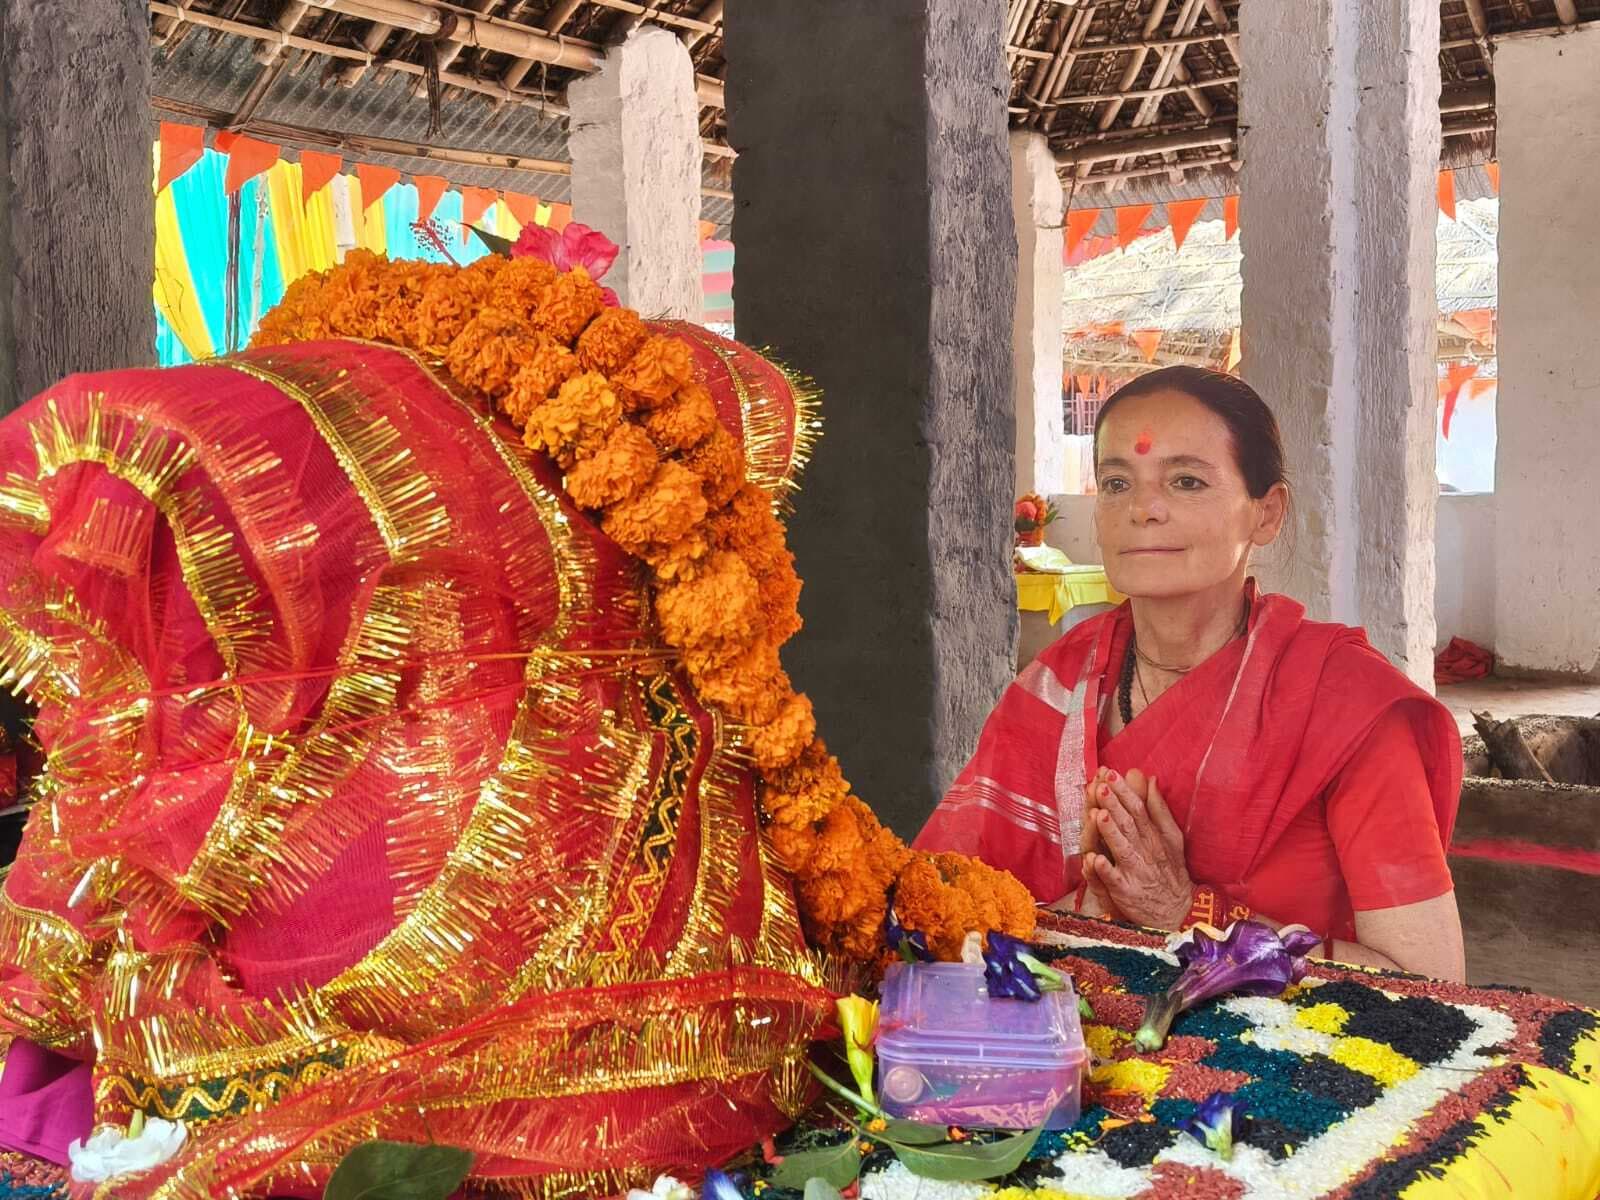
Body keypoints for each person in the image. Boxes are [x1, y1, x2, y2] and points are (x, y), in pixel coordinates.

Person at [917, 366, 1466, 981]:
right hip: (1059, 1053)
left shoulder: (1344, 709)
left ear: (1266, 514)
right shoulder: (1053, 689)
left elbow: (1430, 982)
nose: (1143, 509)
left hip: (1283, 1065)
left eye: (1185, 481)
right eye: (1117, 483)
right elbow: (939, 902)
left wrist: (1186, 912)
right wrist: (1081, 919)